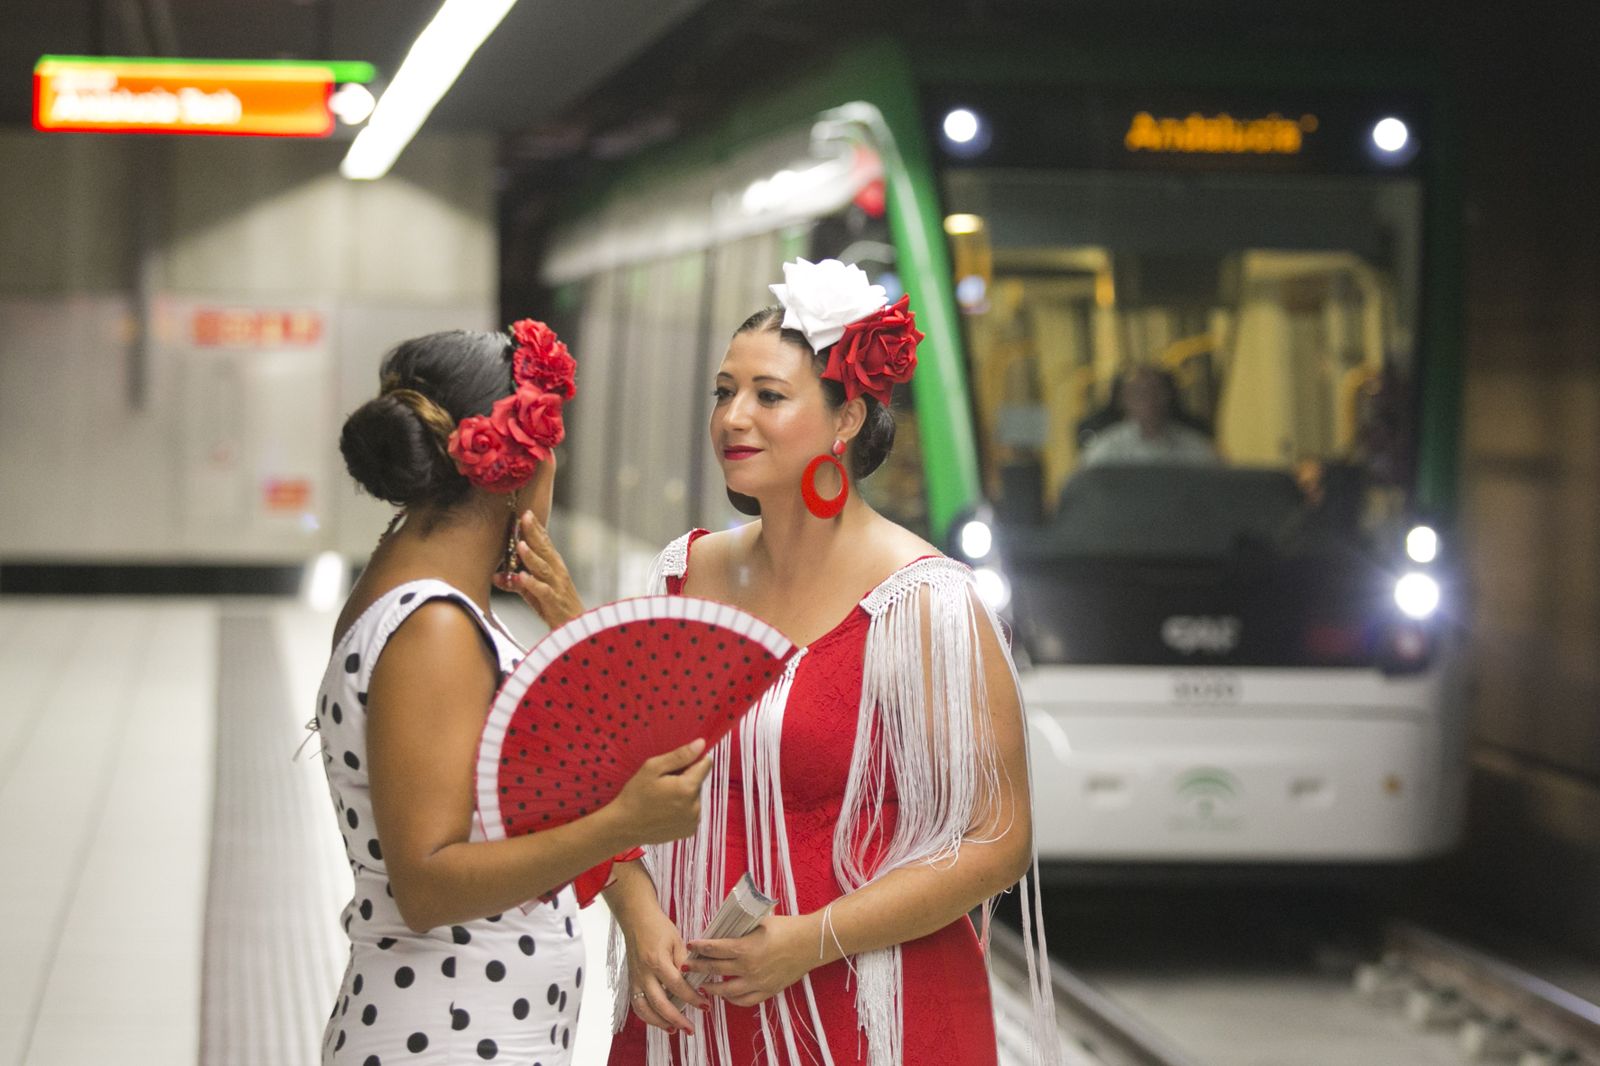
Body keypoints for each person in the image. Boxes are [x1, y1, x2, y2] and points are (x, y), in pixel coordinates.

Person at [600, 259, 1060, 1066]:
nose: (732, 418)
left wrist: (812, 940)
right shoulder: (681, 576)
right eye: (722, 392)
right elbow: (611, 780)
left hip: (866, 1013)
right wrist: (640, 918)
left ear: (845, 422)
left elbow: (998, 838)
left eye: (768, 396)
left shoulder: (926, 604)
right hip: (696, 1011)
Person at [318, 321, 711, 1065]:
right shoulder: (434, 626)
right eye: (552, 442)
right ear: (516, 465)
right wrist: (620, 822)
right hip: (448, 1034)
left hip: (461, 1026)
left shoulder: (405, 589)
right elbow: (427, 882)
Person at [1079, 364, 1217, 467]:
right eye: (1139, 393)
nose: (1150, 399)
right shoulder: (1105, 451)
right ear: (1122, 400)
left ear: (1169, 396)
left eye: (1157, 391)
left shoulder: (1196, 447)